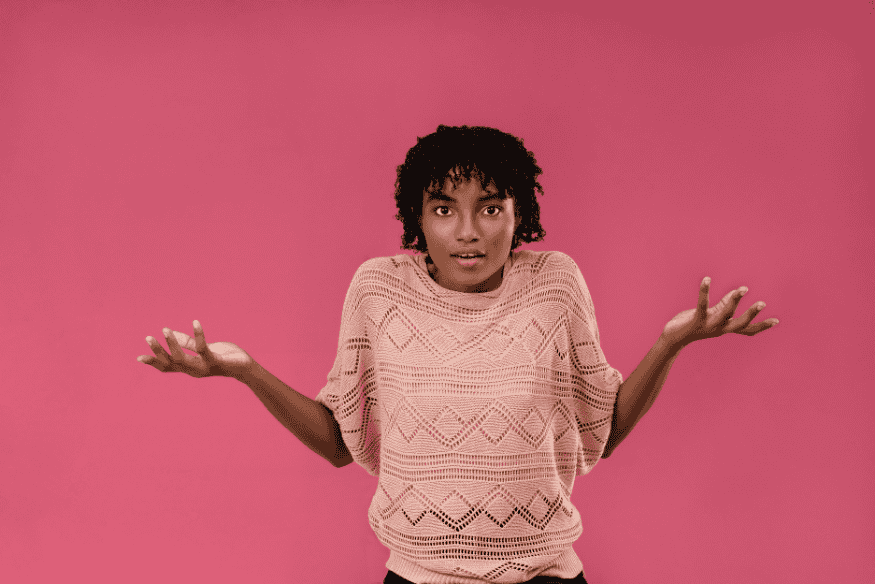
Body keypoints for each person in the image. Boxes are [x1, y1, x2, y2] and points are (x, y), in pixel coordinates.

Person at [138, 125, 778, 584]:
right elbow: (341, 442)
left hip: (547, 577)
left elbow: (600, 433)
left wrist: (671, 345)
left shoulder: (554, 283)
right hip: (420, 581)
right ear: (418, 218)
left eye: (490, 207)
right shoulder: (379, 289)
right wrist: (243, 371)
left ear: (517, 214)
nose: (468, 231)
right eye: (445, 209)